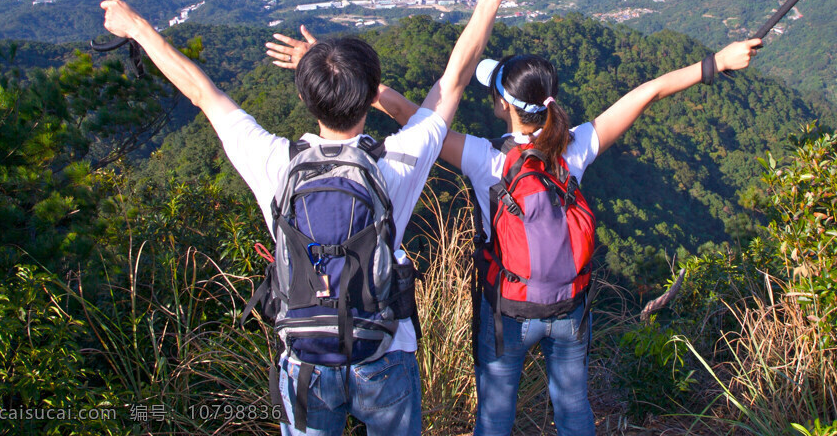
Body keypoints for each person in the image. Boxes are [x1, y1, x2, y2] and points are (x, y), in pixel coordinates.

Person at [101, 0, 534, 436]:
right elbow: (455, 77)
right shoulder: (395, 160)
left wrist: (136, 27)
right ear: (372, 94)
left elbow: (201, 91)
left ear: (306, 99)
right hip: (385, 353)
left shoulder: (277, 164)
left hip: (303, 359)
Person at [269, 31, 760, 436]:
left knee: (495, 418)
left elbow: (416, 120)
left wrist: (339, 78)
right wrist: (718, 61)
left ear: (504, 107)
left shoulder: (488, 161)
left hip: (505, 311)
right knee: (573, 408)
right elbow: (647, 92)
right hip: (570, 306)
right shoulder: (575, 150)